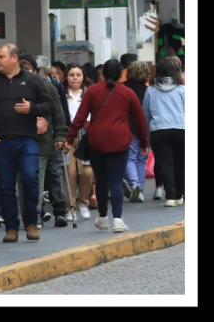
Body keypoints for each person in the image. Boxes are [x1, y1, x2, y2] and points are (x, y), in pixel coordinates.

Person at [0, 43, 54, 243]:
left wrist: (32, 108)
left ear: (14, 58)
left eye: (1, 57)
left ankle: (31, 223)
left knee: (30, 178)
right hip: (1, 142)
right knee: (6, 186)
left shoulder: (32, 80)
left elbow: (49, 105)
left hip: (27, 140)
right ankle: (11, 227)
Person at [65, 60, 149, 233]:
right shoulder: (128, 93)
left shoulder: (92, 92)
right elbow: (140, 120)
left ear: (102, 74)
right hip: (120, 141)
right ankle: (117, 220)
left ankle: (102, 218)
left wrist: (69, 139)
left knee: (101, 180)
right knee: (116, 181)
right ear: (120, 75)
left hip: (97, 141)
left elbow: (80, 118)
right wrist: (144, 142)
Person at [21, 55, 70, 228]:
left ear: (35, 70)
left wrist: (61, 136)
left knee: (55, 175)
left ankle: (60, 212)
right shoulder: (18, 86)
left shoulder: (47, 85)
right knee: (38, 178)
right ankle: (37, 215)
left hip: (50, 137)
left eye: (28, 68)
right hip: (35, 139)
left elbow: (59, 112)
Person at [143, 60, 185, 207]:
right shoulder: (182, 89)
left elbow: (146, 115)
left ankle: (170, 197)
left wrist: (146, 137)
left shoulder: (151, 90)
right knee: (181, 163)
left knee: (165, 164)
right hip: (181, 130)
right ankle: (180, 195)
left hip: (159, 131)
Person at [62, 64, 95, 221]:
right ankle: (70, 207)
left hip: (85, 136)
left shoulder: (89, 92)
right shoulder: (62, 94)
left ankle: (83, 202)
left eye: (78, 75)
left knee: (87, 172)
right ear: (66, 77)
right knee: (70, 173)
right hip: (68, 136)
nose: (75, 78)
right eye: (71, 75)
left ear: (83, 77)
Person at [123, 61, 151, 203]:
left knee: (130, 158)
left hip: (128, 128)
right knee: (141, 159)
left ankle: (134, 184)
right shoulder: (148, 90)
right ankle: (140, 190)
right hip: (145, 128)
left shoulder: (122, 89)